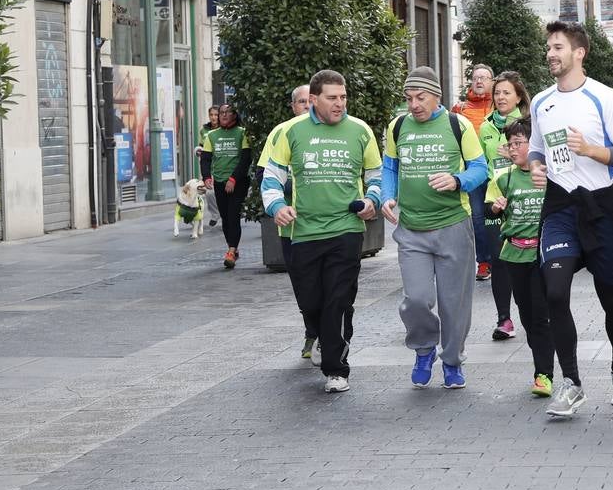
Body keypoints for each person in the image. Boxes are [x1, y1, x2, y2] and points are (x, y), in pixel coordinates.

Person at [528, 21, 613, 418]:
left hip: (602, 207)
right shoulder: (541, 101)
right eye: (549, 47)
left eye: (558, 47)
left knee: (610, 297)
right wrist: (536, 166)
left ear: (579, 53)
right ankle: (572, 383)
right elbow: (535, 148)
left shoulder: (604, 98)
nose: (551, 53)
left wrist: (594, 150)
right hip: (560, 206)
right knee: (555, 292)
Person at [261, 71, 380, 394]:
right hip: (304, 233)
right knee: (312, 301)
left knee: (338, 300)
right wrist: (276, 207)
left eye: (343, 97)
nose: (339, 103)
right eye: (332, 98)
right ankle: (321, 334)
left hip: (346, 229)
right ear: (313, 100)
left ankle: (336, 368)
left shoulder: (360, 131)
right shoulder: (291, 132)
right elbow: (271, 178)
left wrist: (372, 199)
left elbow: (376, 174)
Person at [382, 66, 489, 389]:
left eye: (421, 97)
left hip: (453, 226)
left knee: (453, 303)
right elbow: (390, 166)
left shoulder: (458, 125)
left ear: (436, 96)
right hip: (412, 228)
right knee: (416, 298)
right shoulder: (398, 126)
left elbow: (480, 169)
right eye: (409, 98)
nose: (414, 104)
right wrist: (388, 196)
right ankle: (424, 348)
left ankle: (453, 361)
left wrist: (457, 180)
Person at [485, 118, 556, 397]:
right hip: (514, 254)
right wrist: (496, 208)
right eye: (509, 144)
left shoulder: (550, 175)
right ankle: (542, 361)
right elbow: (491, 208)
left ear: (533, 144)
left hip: (543, 254)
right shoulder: (505, 177)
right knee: (526, 317)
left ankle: (543, 374)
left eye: (518, 143)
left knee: (540, 316)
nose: (512, 149)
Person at [478, 72, 529, 340]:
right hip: (494, 196)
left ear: (518, 97)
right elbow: (479, 162)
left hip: (523, 195)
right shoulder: (485, 127)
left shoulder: (527, 125)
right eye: (497, 93)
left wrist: (514, 153)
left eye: (507, 93)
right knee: (498, 259)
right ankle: (504, 320)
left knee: (522, 259)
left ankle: (530, 311)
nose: (500, 97)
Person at [455, 64, 496, 281]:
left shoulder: (499, 106)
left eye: (484, 78)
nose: (479, 81)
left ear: (492, 81)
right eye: (475, 77)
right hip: (473, 171)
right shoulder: (460, 109)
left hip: (498, 170)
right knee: (478, 218)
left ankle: (503, 258)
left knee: (501, 215)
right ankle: (484, 261)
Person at [200, 103, 252, 269]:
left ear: (234, 115)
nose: (223, 115)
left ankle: (231, 251)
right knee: (225, 217)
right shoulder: (212, 135)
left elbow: (245, 159)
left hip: (239, 181)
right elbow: (206, 158)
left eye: (227, 112)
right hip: (220, 182)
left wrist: (233, 179)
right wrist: (207, 177)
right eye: (221, 112)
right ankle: (233, 247)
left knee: (233, 214)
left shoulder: (242, 133)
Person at [198, 105, 222, 227]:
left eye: (216, 115)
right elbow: (201, 145)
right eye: (211, 115)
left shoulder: (224, 128)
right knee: (209, 193)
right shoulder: (204, 130)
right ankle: (215, 214)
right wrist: (198, 150)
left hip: (222, 164)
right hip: (209, 165)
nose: (213, 117)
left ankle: (225, 212)